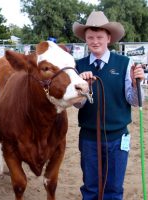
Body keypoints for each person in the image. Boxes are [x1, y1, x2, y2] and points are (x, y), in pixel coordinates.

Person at [72, 11, 145, 200]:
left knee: (113, 187)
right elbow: (77, 105)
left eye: (99, 37)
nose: (95, 41)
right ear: (85, 39)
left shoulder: (125, 63)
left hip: (118, 137)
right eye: (90, 37)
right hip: (88, 137)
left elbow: (135, 101)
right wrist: (83, 88)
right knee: (90, 187)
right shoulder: (77, 66)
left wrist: (136, 83)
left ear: (109, 38)